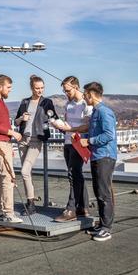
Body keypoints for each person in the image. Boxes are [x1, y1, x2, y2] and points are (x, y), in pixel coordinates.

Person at [50, 76, 92, 222]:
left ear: (76, 87)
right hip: (68, 142)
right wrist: (60, 127)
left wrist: (71, 129)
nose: (66, 93)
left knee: (73, 175)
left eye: (68, 90)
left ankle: (71, 209)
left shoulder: (86, 104)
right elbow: (68, 125)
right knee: (77, 175)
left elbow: (87, 126)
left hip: (79, 143)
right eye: (64, 91)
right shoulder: (69, 104)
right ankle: (83, 207)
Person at [13, 75, 56, 215]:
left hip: (36, 140)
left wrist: (62, 127)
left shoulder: (47, 102)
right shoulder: (25, 102)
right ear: (32, 88)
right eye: (37, 88)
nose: (40, 91)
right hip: (23, 140)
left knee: (24, 171)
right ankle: (29, 202)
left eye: (42, 88)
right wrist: (21, 118)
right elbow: (16, 122)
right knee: (27, 173)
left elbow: (54, 118)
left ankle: (31, 204)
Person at [80, 81, 117, 241]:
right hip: (97, 155)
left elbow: (109, 135)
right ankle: (102, 225)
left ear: (91, 94)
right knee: (98, 191)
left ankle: (107, 228)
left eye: (85, 94)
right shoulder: (95, 112)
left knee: (104, 193)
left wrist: (89, 141)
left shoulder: (104, 112)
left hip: (105, 156)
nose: (83, 96)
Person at [0, 74, 23, 223]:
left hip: (3, 141)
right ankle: (9, 213)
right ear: (0, 87)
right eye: (8, 87)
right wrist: (13, 132)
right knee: (8, 176)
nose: (9, 90)